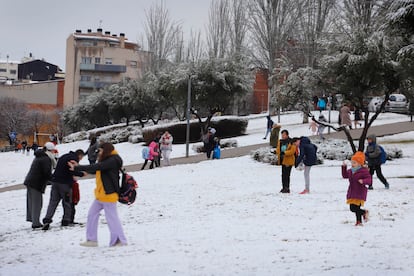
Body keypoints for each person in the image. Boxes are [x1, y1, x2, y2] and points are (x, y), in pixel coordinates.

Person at [69, 142, 127, 247]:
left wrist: (78, 167)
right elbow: (98, 170)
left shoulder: (113, 160)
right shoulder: (107, 160)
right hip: (101, 194)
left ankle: (119, 240)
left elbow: (98, 167)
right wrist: (80, 169)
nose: (98, 153)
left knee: (112, 218)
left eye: (100, 151)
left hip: (109, 194)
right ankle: (92, 240)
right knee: (92, 215)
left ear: (106, 150)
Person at [42, 149, 86, 230]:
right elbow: (72, 170)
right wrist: (81, 174)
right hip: (64, 184)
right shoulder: (73, 159)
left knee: (53, 202)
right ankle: (66, 220)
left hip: (55, 182)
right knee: (67, 202)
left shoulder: (64, 156)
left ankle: (47, 220)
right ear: (80, 155)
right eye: (81, 158)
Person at [23, 143, 56, 229]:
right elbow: (47, 173)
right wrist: (54, 180)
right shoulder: (46, 159)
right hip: (36, 183)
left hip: (30, 181)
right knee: (37, 203)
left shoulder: (40, 156)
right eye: (53, 150)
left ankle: (33, 220)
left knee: (32, 202)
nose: (54, 152)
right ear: (50, 150)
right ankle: (35, 223)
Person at [341, 151, 372, 226]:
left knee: (356, 207)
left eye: (354, 163)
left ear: (359, 163)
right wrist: (344, 167)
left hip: (360, 192)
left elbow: (369, 180)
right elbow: (345, 176)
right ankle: (364, 212)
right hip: (352, 191)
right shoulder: (351, 171)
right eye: (352, 162)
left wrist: (363, 181)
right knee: (352, 208)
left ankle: (359, 221)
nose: (352, 164)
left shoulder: (364, 171)